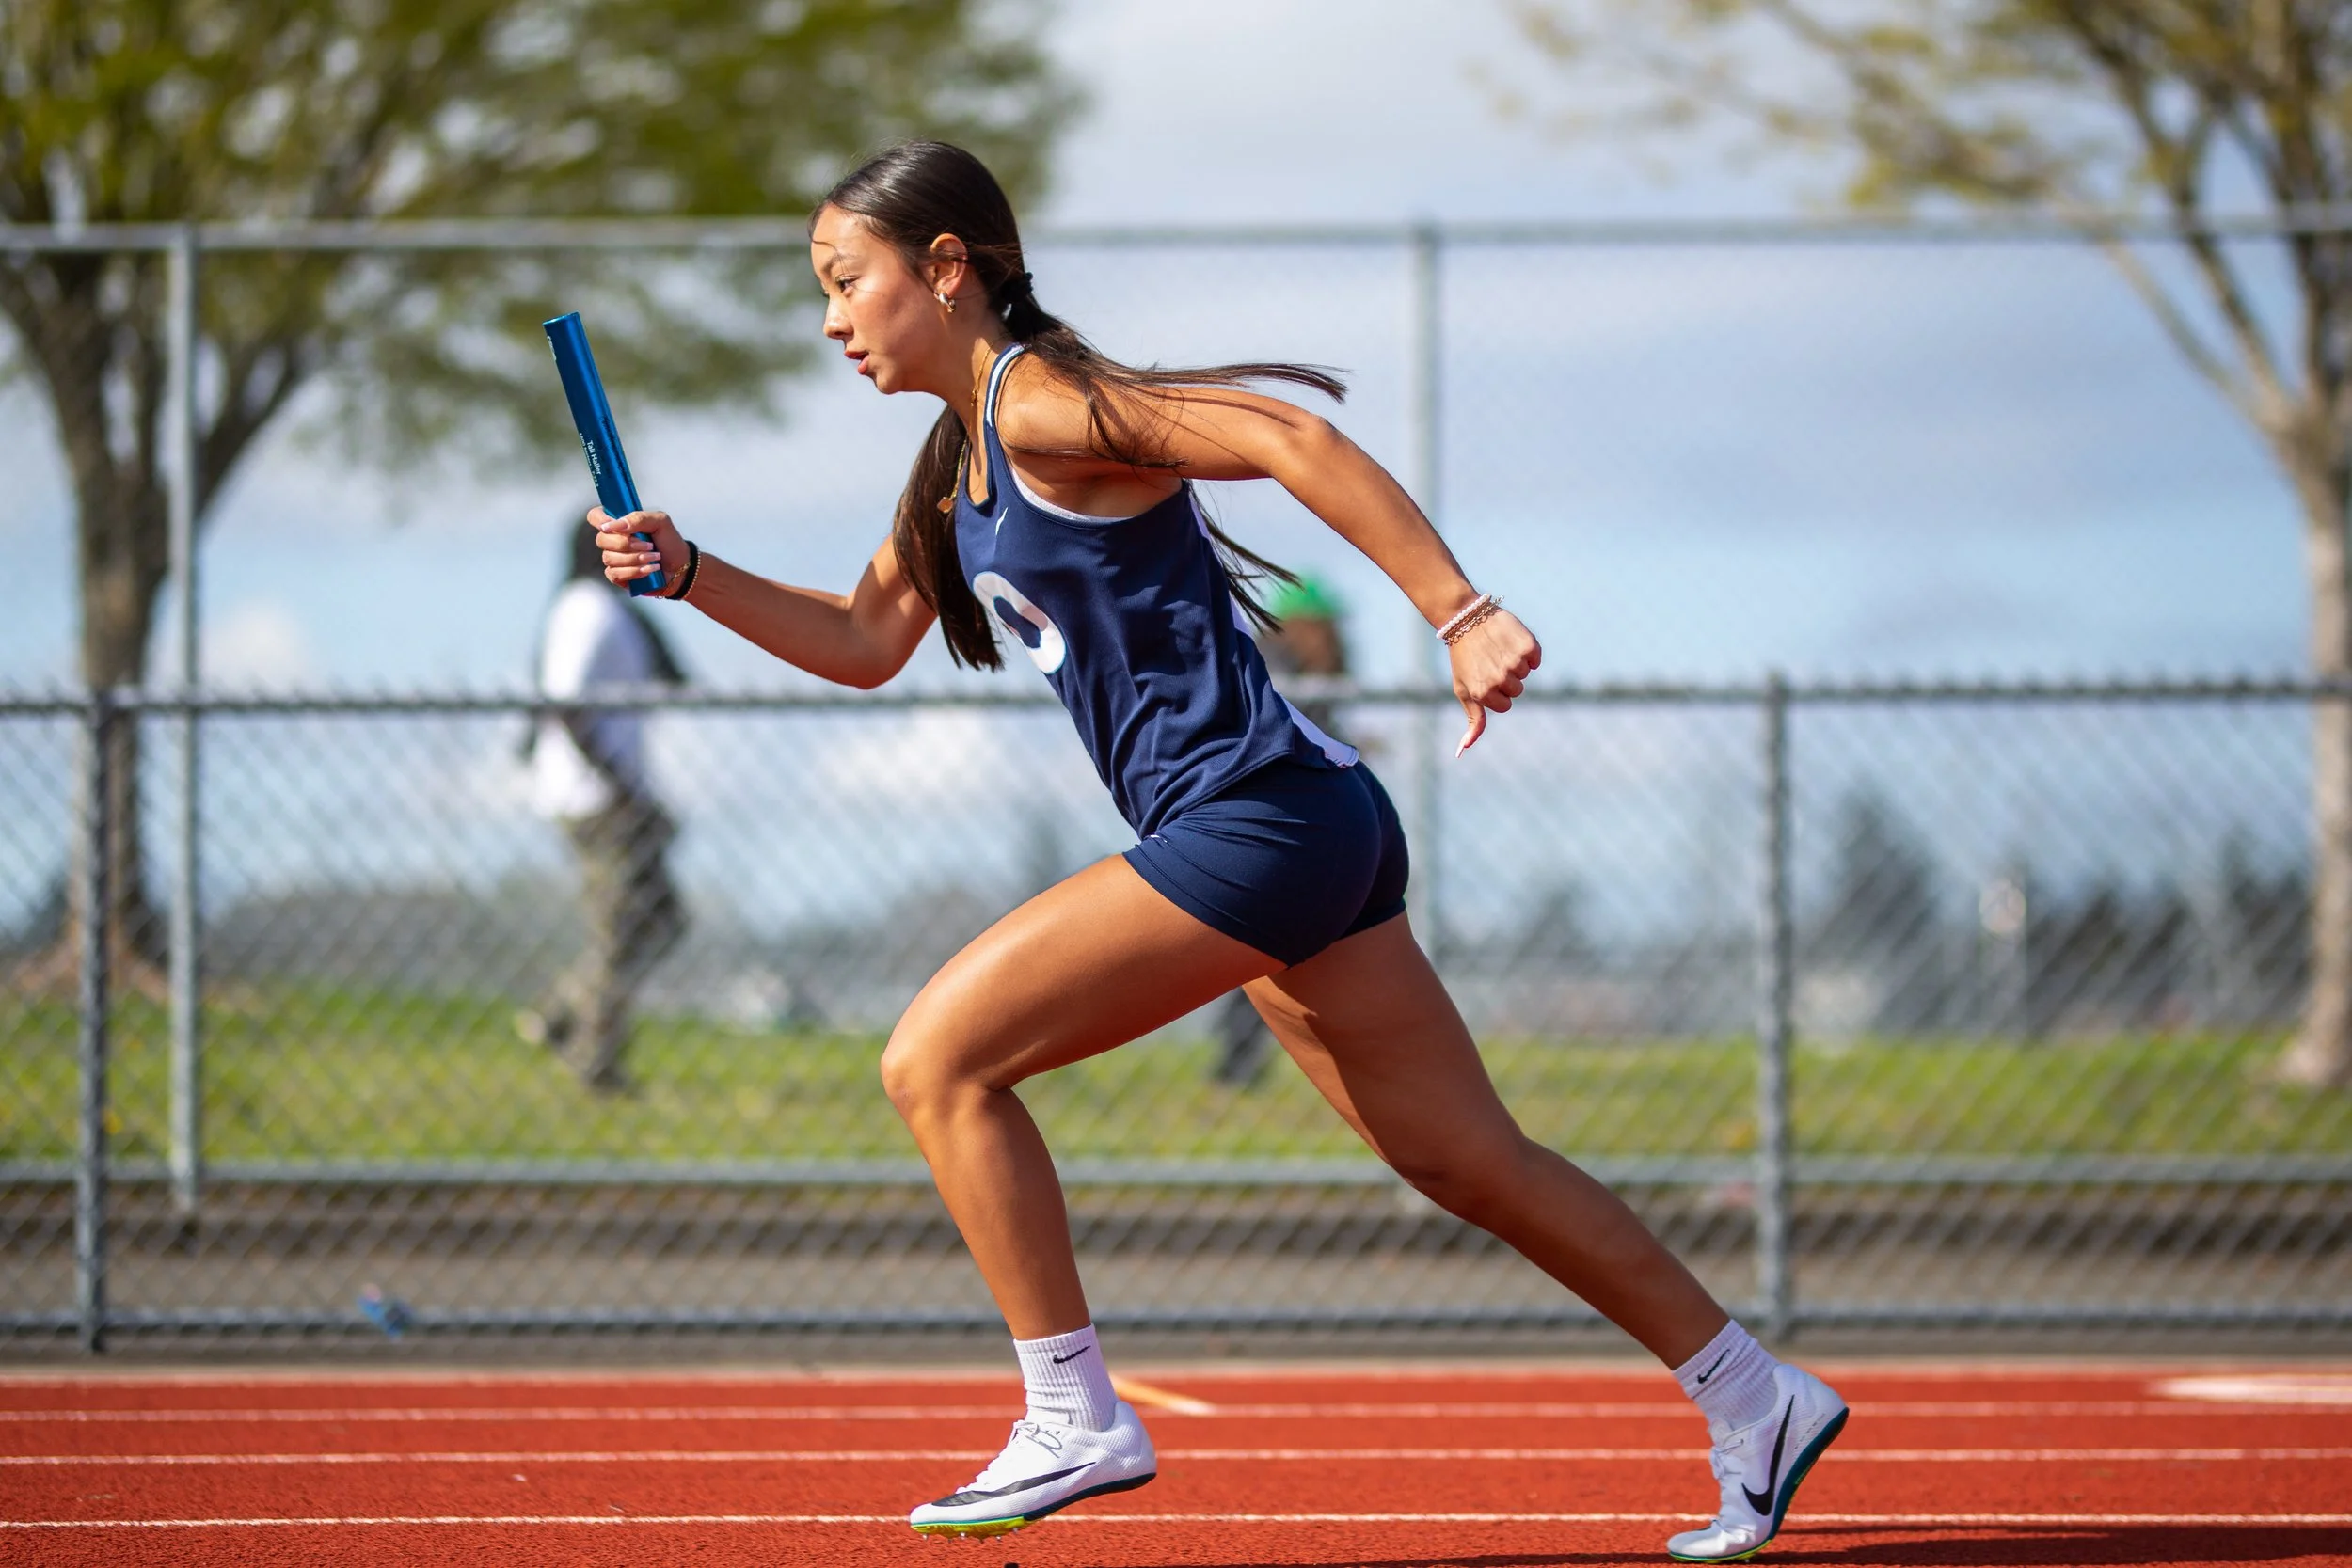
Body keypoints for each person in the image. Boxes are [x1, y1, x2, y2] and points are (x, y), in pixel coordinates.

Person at [589, 140, 1848, 1560]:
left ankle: (1072, 1412)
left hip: (1258, 820)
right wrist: (689, 572)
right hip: (1309, 827)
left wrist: (1461, 609)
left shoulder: (1053, 402)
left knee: (935, 1059)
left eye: (845, 281)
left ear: (946, 271)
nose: (830, 319)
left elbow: (1287, 437)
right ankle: (1756, 1389)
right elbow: (864, 642)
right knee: (1467, 1158)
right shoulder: (955, 462)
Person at [517, 519, 690, 1091]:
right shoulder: (585, 609)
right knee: (622, 929)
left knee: (659, 920)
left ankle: (559, 1013)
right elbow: (566, 704)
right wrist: (619, 786)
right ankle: (596, 1061)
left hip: (613, 790)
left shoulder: (611, 610)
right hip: (597, 796)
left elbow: (675, 675)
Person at [1208, 573, 1350, 1086]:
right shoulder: (1277, 664)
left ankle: (1251, 1069)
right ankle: (1238, 1069)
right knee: (1253, 963)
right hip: (1270, 824)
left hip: (1306, 827)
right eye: (1325, 626)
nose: (1335, 636)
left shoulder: (1317, 670)